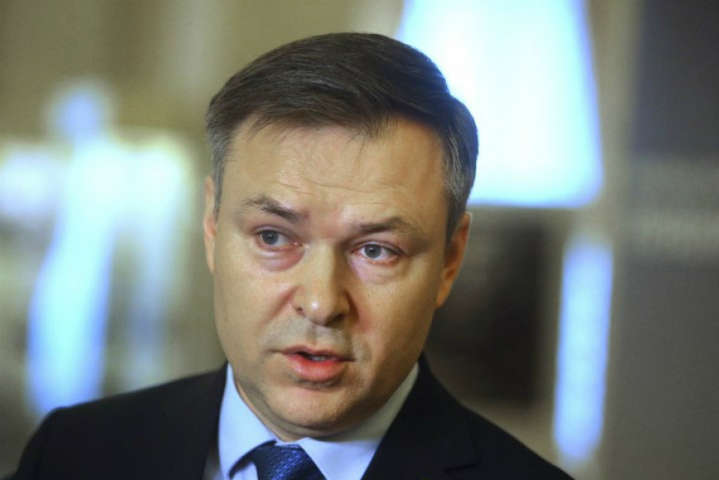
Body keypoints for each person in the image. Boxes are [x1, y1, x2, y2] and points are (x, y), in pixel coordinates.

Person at [11, 33, 571, 479]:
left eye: (376, 250)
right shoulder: (71, 454)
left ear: (450, 260)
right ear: (212, 227)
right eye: (274, 238)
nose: (322, 303)